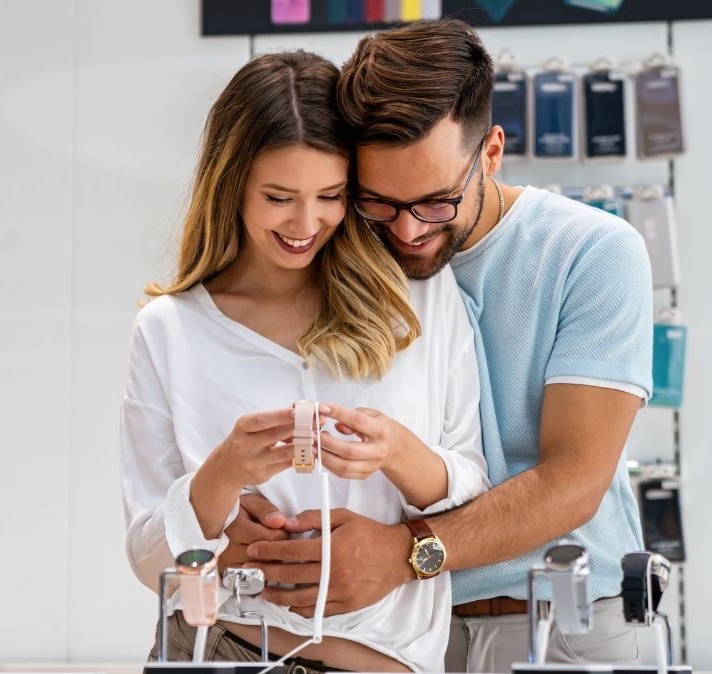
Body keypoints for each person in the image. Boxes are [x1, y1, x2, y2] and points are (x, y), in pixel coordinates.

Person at [223, 20, 655, 673]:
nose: (407, 230)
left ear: (491, 152)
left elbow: (573, 483)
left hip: (570, 623)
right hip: (404, 635)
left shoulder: (592, 253)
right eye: (379, 202)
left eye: (435, 202)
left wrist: (404, 551)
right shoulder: (348, 255)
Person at [120, 50, 489, 674]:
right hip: (217, 651)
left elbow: (471, 484)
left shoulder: (416, 296)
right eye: (279, 196)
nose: (305, 222)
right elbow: (148, 559)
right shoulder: (169, 331)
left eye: (330, 195)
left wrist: (397, 453)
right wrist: (220, 476)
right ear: (230, 183)